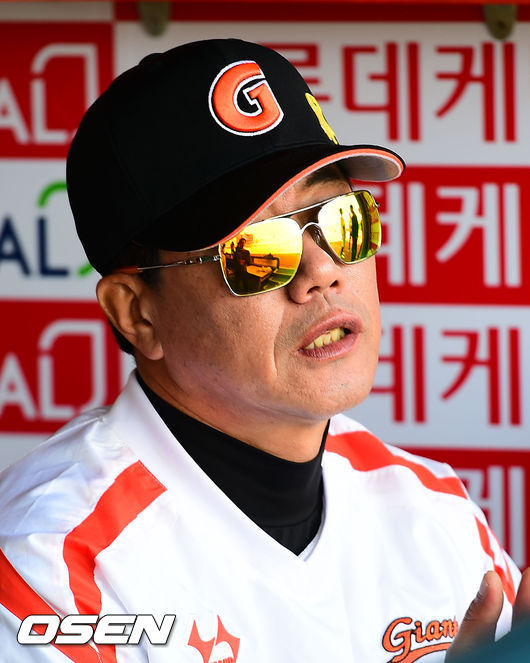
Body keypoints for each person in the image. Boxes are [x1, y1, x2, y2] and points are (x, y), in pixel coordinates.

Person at [0, 38, 528, 663]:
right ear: (138, 313)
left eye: (344, 220)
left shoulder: (435, 508)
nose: (322, 272)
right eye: (258, 251)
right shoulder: (48, 568)